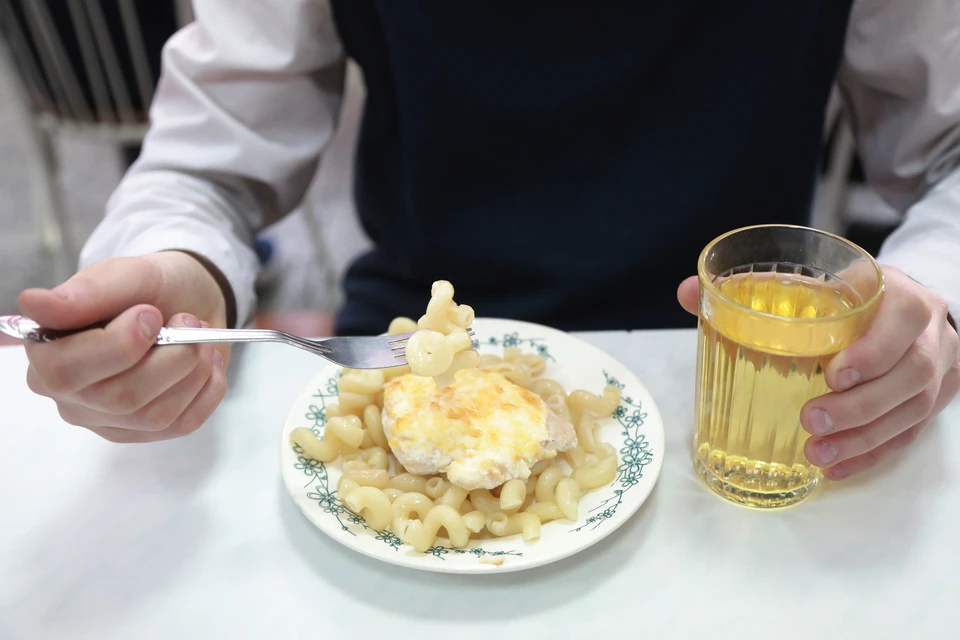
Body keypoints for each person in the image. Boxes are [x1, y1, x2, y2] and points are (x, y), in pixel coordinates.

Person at [17, 1, 960, 482]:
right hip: (399, 362)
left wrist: (928, 300)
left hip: (747, 393)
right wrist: (180, 269)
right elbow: (210, 158)